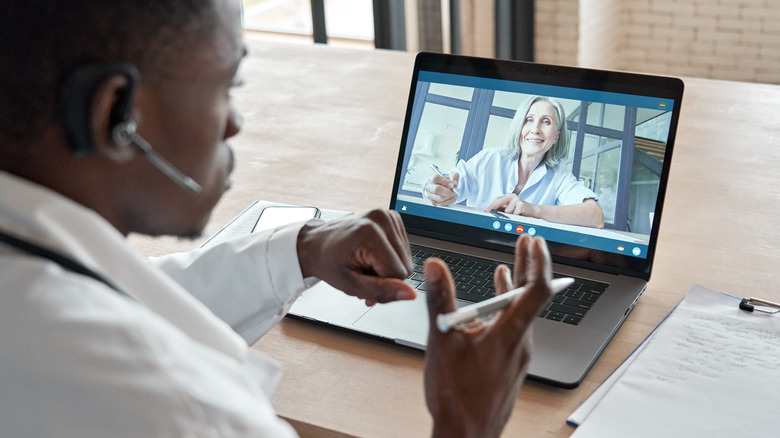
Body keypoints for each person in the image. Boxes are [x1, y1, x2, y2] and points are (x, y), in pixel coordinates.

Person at [0, 1, 554, 437]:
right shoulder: (178, 411)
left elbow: (124, 296)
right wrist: (467, 424)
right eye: (226, 87)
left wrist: (301, 247)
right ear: (117, 115)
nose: (235, 124)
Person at [424, 96, 605, 228]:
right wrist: (438, 190)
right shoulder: (489, 158)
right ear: (520, 127)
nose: (535, 129)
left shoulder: (559, 174)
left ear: (556, 136)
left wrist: (532, 210)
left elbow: (595, 216)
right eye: (529, 120)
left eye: (546, 122)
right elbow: (449, 185)